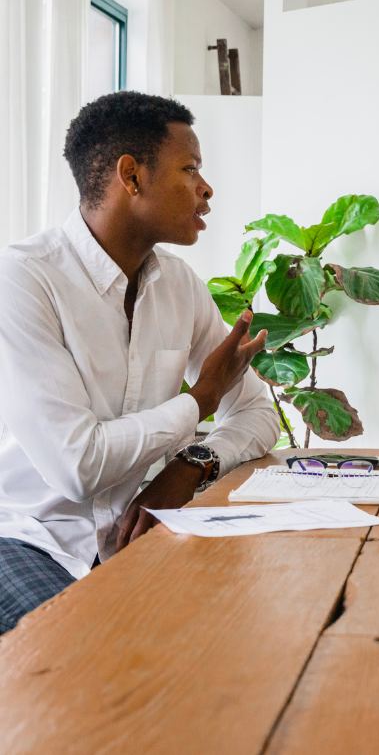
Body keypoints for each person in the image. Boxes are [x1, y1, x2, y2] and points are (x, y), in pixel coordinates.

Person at [0, 92, 279, 633]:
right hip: (30, 535)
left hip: (137, 530)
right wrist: (199, 401)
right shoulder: (24, 279)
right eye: (190, 168)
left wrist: (191, 465)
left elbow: (259, 414)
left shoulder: (179, 285)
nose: (206, 188)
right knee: (85, 658)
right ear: (131, 177)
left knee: (248, 628)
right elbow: (78, 468)